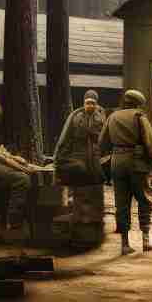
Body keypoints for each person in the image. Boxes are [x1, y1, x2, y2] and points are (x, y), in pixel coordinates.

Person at [98, 89, 152, 254]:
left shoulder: (112, 117)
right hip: (137, 163)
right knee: (144, 199)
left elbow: (102, 144)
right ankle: (146, 239)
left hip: (117, 163)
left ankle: (125, 244)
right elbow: (150, 144)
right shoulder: (139, 116)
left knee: (121, 203)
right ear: (138, 103)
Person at [53, 90, 108, 244]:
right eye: (87, 102)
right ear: (83, 103)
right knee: (79, 194)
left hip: (96, 161)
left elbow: (107, 139)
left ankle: (96, 230)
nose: (90, 105)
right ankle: (77, 230)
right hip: (79, 160)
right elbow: (65, 138)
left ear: (97, 104)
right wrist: (59, 158)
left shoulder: (102, 117)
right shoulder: (75, 117)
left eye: (93, 103)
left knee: (96, 194)